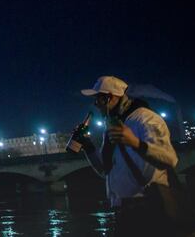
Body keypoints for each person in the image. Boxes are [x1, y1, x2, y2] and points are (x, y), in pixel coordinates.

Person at [77, 75, 186, 236]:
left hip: (149, 207)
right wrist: (87, 146)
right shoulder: (113, 126)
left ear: (110, 98)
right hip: (123, 210)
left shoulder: (144, 118)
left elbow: (169, 159)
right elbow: (104, 170)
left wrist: (135, 142)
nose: (95, 104)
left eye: (98, 99)